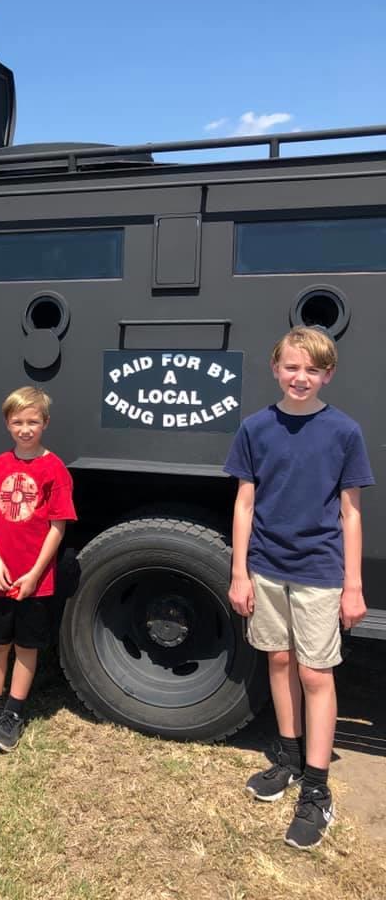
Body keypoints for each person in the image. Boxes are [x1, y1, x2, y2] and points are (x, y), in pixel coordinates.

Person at [224, 326, 374, 849]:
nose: (301, 377)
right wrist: (239, 572)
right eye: (292, 367)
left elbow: (351, 514)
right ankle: (287, 757)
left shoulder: (344, 432)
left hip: (318, 571)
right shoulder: (255, 428)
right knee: (280, 660)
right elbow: (245, 503)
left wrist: (353, 585)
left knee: (316, 672)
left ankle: (317, 790)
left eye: (312, 369)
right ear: (275, 368)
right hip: (265, 567)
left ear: (328, 374)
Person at [0, 386, 76, 752]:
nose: (25, 428)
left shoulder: (55, 469)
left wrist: (34, 573)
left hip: (36, 581)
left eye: (33, 421)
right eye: (18, 421)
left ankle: (13, 713)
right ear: (7, 424)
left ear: (45, 423)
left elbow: (57, 526)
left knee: (26, 647)